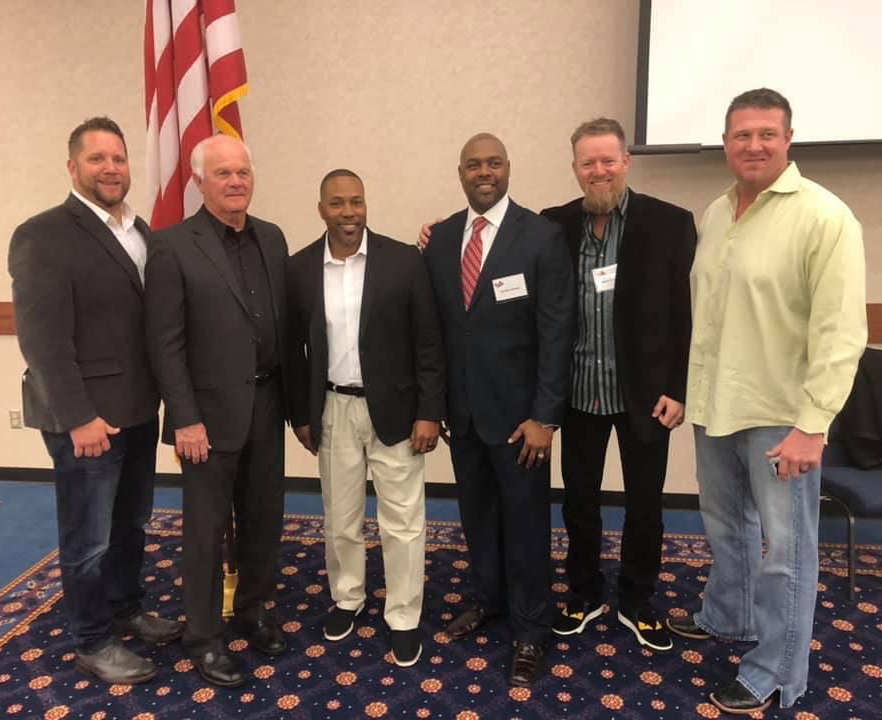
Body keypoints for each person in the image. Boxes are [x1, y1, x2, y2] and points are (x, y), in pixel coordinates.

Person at [667, 88, 866, 714]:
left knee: (786, 550)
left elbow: (841, 333)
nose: (753, 145)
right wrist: (687, 393)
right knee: (726, 528)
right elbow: (710, 317)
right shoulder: (718, 211)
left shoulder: (824, 217)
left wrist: (814, 426)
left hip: (783, 416)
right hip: (716, 406)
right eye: (741, 135)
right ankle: (728, 616)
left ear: (789, 139)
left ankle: (777, 668)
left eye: (766, 134)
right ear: (725, 142)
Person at [9, 117, 182, 685]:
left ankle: (126, 608)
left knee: (132, 524)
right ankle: (91, 638)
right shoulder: (43, 235)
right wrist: (78, 417)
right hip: (85, 421)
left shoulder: (143, 231)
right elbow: (43, 341)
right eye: (97, 159)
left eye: (119, 158)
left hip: (136, 410)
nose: (111, 168)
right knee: (88, 538)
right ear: (72, 167)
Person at [422, 133, 574, 687]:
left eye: (493, 163)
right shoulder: (439, 240)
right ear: (460, 172)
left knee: (527, 523)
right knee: (477, 516)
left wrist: (545, 417)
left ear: (509, 168)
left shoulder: (541, 236)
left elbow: (557, 332)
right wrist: (433, 405)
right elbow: (438, 331)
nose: (483, 172)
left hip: (520, 422)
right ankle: (489, 601)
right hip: (461, 415)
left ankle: (533, 627)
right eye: (473, 165)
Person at [540, 119, 696, 652]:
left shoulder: (671, 224)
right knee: (578, 502)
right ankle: (584, 594)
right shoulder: (554, 224)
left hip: (647, 396)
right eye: (589, 163)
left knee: (645, 503)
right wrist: (442, 231)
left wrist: (679, 387)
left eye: (608, 160)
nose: (599, 171)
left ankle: (636, 598)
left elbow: (686, 316)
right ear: (576, 169)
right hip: (579, 392)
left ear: (626, 161)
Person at [144, 134, 290, 688]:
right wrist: (184, 417)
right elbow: (165, 343)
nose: (236, 182)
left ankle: (253, 612)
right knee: (205, 531)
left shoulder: (272, 239)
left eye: (243, 172)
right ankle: (203, 634)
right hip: (204, 418)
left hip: (267, 404)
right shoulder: (172, 245)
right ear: (199, 182)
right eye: (223, 173)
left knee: (263, 521)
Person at [287, 169, 447, 667]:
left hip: (398, 412)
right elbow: (295, 350)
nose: (349, 212)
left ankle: (403, 616)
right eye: (337, 204)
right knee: (341, 518)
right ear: (321, 210)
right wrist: (300, 414)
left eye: (356, 201)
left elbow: (428, 342)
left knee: (402, 522)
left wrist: (429, 412)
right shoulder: (300, 268)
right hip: (333, 408)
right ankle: (348, 598)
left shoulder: (403, 262)